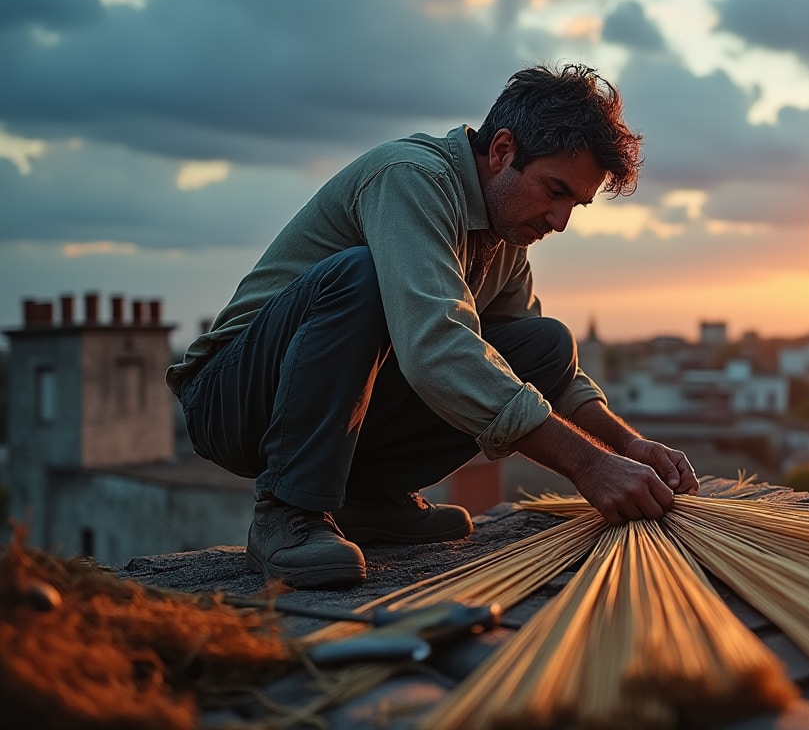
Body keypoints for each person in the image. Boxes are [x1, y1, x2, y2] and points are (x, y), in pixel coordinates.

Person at [166, 64, 698, 589]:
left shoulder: (505, 235)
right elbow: (436, 347)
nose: (559, 221)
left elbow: (551, 376)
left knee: (547, 345)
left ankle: (369, 500)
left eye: (574, 205)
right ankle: (289, 509)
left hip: (331, 404)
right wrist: (587, 466)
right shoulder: (411, 179)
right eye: (554, 191)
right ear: (503, 151)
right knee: (362, 274)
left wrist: (628, 447)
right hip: (232, 399)